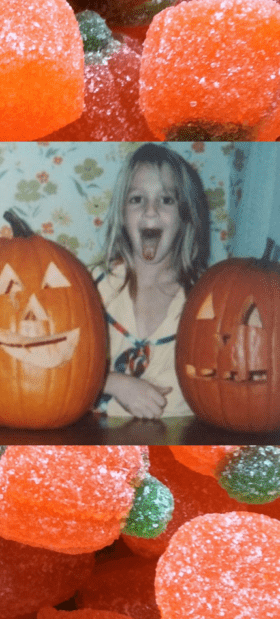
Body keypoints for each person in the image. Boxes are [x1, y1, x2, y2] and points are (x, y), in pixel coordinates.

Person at [93, 143, 210, 419]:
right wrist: (112, 382)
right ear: (122, 215)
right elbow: (59, 368)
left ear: (185, 217)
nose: (150, 211)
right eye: (137, 199)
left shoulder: (206, 297)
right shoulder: (91, 288)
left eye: (166, 200)